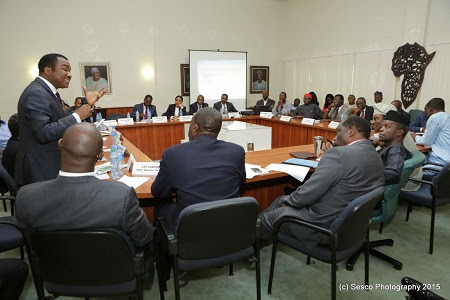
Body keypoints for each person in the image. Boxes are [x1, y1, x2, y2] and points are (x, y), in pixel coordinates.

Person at [15, 123, 154, 248]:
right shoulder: (121, 196)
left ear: (60, 144)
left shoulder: (26, 197)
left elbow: (31, 243)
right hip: (113, 273)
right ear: (100, 155)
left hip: (54, 274)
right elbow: (144, 237)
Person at [259, 116, 384, 248]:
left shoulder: (338, 155)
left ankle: (244, 246)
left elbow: (307, 194)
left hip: (321, 225)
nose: (335, 137)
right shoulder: (374, 153)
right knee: (280, 200)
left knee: (268, 219)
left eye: (338, 131)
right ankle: (254, 242)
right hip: (350, 225)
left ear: (351, 131)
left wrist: (290, 202)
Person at [16, 53, 107, 185]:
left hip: (47, 164)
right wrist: (77, 116)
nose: (69, 74)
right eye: (65, 69)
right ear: (48, 70)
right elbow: (43, 132)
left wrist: (88, 104)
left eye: (70, 71)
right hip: (40, 168)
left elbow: (62, 120)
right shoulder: (37, 93)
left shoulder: (48, 92)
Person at [152, 107, 246, 230]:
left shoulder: (172, 154)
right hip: (227, 225)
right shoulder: (237, 151)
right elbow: (241, 182)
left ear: (194, 128)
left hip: (190, 230)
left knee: (160, 206)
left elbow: (158, 191)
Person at [411, 98, 450, 173]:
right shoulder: (447, 117)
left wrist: (415, 136)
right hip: (447, 164)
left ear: (430, 109)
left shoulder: (435, 117)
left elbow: (426, 141)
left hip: (438, 164)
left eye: (426, 110)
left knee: (411, 167)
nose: (425, 113)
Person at [378, 110, 412, 185]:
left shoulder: (396, 150)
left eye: (387, 127)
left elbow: (392, 174)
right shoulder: (391, 147)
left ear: (399, 132)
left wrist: (365, 178)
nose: (381, 129)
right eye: (382, 126)